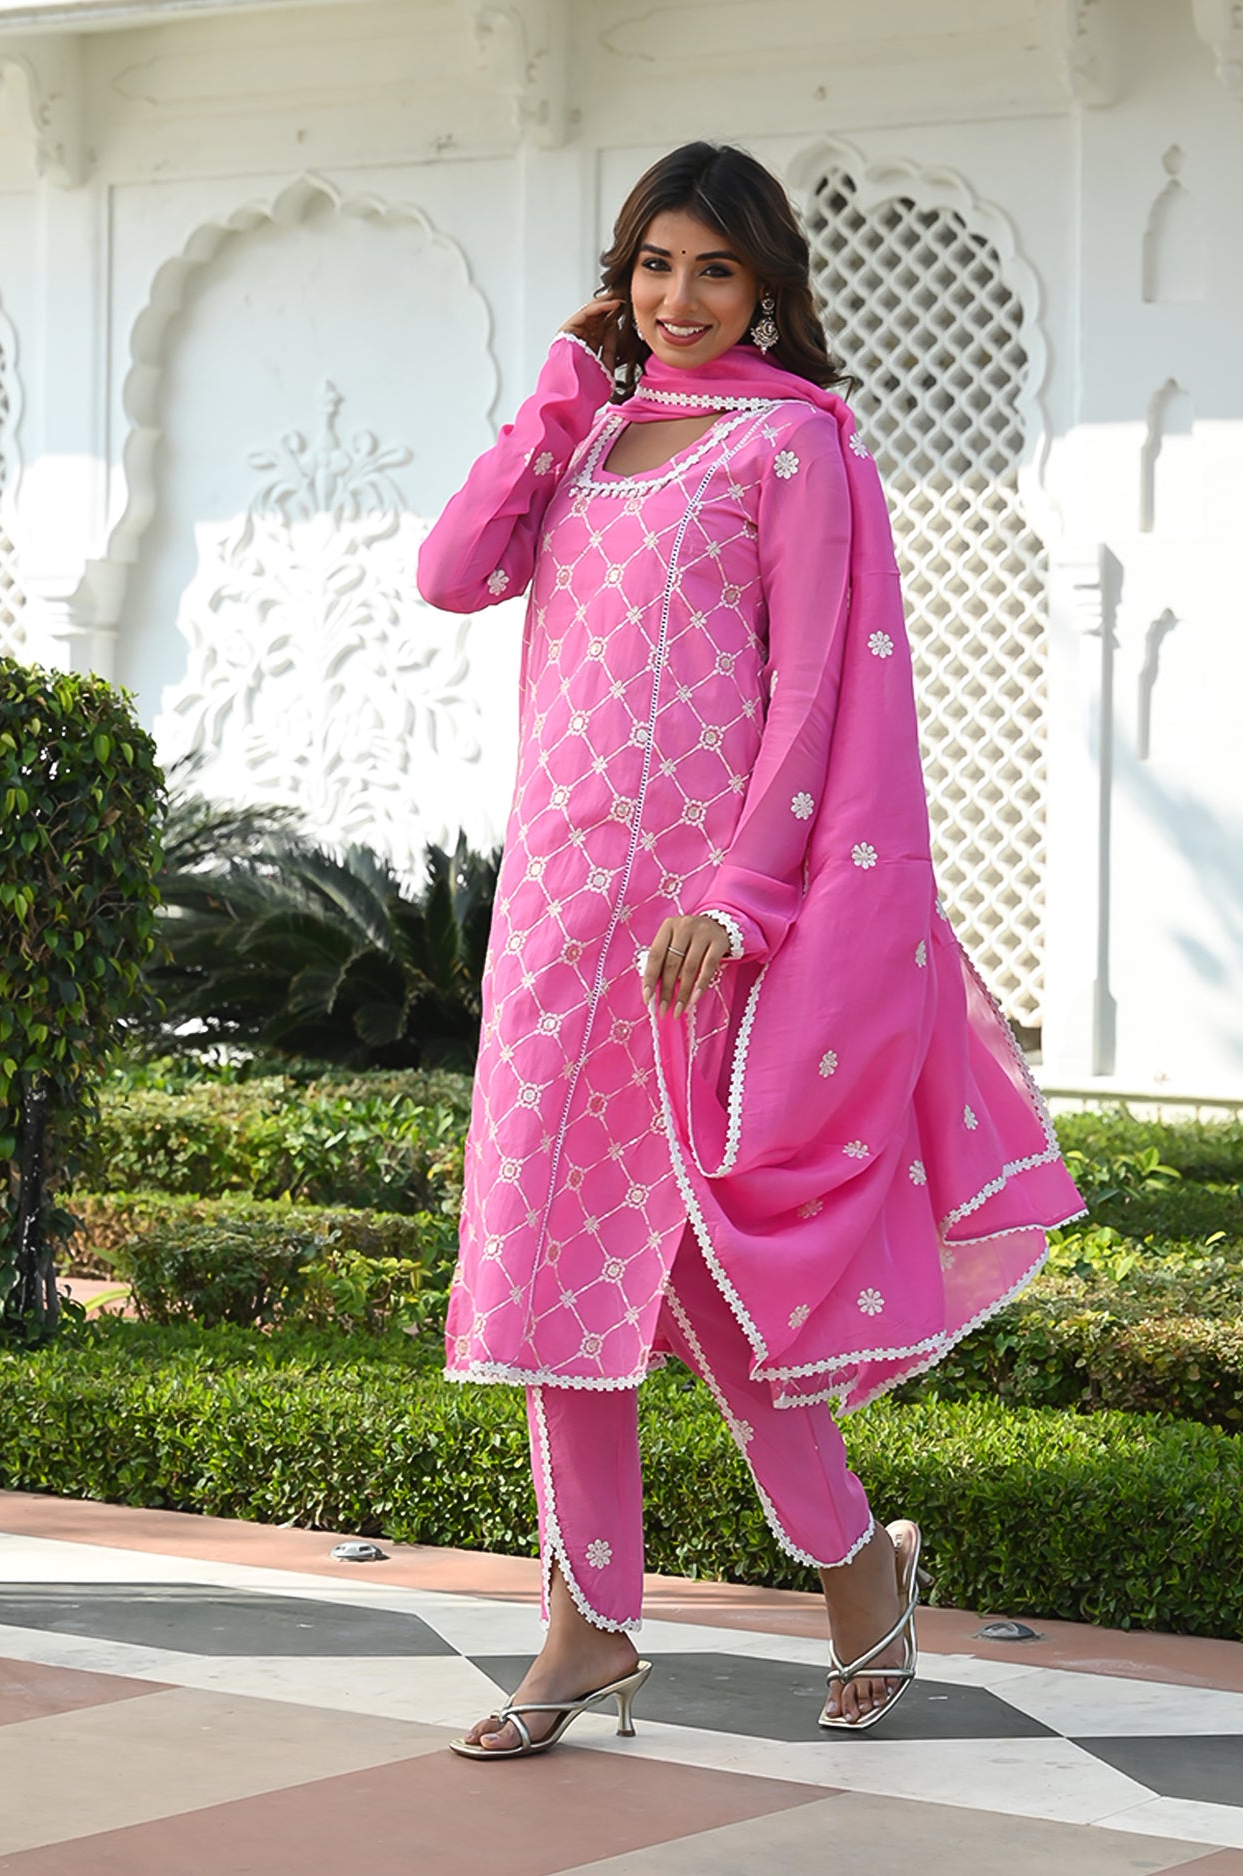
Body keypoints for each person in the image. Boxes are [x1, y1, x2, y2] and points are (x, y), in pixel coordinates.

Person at [418, 141, 1084, 1758]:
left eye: (715, 269)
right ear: (620, 275)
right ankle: (586, 1626)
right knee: (558, 1278)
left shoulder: (792, 447)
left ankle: (859, 1572)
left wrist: (742, 899)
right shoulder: (587, 440)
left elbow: (814, 690)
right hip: (559, 921)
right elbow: (452, 573)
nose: (681, 297)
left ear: (766, 284)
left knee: (721, 1278)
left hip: (707, 934)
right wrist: (558, 391)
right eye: (655, 264)